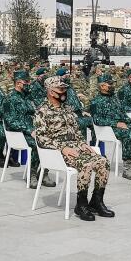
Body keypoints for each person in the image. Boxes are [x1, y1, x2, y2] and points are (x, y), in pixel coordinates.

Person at [34, 76, 114, 221]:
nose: (64, 92)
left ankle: (96, 201)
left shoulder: (68, 109)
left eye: (65, 89)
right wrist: (62, 148)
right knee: (87, 164)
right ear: (51, 92)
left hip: (76, 148)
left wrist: (83, 143)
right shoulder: (42, 111)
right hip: (57, 152)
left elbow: (76, 131)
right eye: (60, 89)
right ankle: (81, 204)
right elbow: (41, 138)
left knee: (103, 162)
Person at [4, 70, 55, 189]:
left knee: (53, 141)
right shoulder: (10, 99)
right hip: (19, 133)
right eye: (26, 82)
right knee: (38, 144)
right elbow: (10, 121)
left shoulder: (27, 97)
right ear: (18, 83)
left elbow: (38, 110)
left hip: (32, 130)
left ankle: (43, 173)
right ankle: (31, 174)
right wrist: (29, 130)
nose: (29, 84)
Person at [90, 74, 131, 180]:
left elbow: (122, 113)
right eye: (109, 83)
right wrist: (116, 124)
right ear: (102, 86)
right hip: (108, 129)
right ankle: (127, 167)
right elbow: (97, 120)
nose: (112, 85)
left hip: (121, 125)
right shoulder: (96, 101)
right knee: (128, 134)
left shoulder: (114, 98)